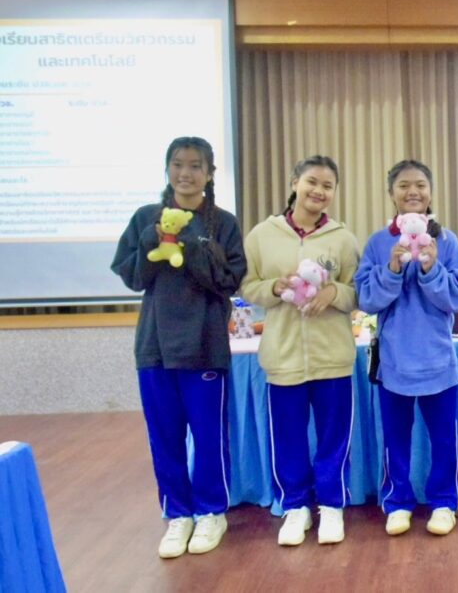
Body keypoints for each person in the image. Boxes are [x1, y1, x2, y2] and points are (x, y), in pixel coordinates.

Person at [110, 136, 246, 558]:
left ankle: (211, 512)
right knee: (164, 436)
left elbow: (228, 281)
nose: (185, 173)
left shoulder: (222, 223)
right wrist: (153, 240)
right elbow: (134, 277)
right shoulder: (145, 218)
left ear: (209, 173)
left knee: (208, 436)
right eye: (178, 165)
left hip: (204, 345)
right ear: (168, 169)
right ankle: (178, 513)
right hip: (155, 346)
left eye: (195, 166)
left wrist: (190, 241)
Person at [239, 155, 360, 546]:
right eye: (312, 182)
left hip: (333, 357)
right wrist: (274, 288)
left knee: (333, 437)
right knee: (288, 437)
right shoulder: (262, 235)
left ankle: (332, 505)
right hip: (283, 356)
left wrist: (334, 292)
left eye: (327, 186)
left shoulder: (343, 238)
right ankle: (295, 507)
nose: (318, 191)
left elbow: (359, 291)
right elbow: (247, 286)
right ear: (295, 183)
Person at [354, 159, 458, 537]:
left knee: (444, 440)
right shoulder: (378, 243)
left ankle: (443, 503)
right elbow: (367, 299)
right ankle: (398, 502)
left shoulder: (446, 241)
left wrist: (431, 268)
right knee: (395, 440)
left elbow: (457, 298)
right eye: (404, 185)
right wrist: (391, 269)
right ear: (391, 193)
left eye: (420, 185)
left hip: (438, 361)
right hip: (394, 363)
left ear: (430, 192)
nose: (413, 192)